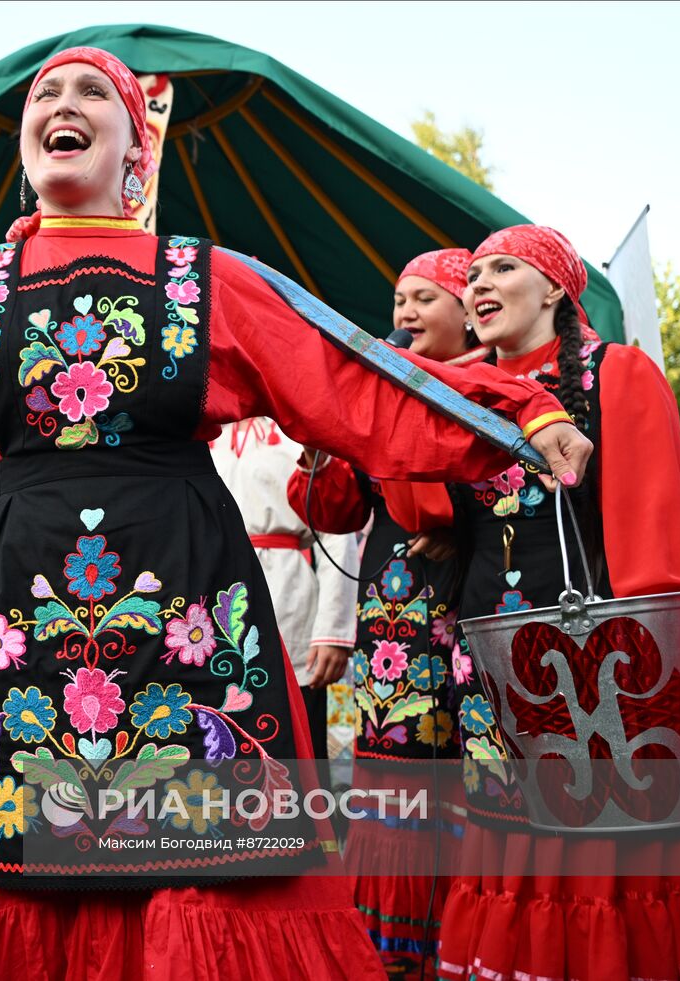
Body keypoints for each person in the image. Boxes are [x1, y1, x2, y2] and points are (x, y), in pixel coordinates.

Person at [0, 48, 590, 978]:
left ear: (137, 150)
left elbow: (354, 378)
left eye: (95, 92)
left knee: (208, 869)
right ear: (26, 147)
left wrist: (522, 410)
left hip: (191, 606)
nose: (65, 102)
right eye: (47, 92)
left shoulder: (208, 276)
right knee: (40, 871)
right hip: (32, 612)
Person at [385, 226, 680, 981]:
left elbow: (656, 533)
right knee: (509, 826)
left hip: (601, 662)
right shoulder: (462, 389)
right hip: (488, 655)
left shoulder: (619, 375)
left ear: (555, 291)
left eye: (503, 268)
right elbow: (425, 516)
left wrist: (654, 683)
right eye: (471, 274)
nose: (478, 285)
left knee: (601, 837)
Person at [288, 248, 484, 976]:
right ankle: (393, 951)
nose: (403, 314)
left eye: (423, 299)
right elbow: (335, 511)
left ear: (467, 310)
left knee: (469, 781)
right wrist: (320, 455)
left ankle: (464, 939)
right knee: (393, 780)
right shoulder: (382, 392)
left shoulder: (491, 391)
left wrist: (460, 525)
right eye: (399, 300)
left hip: (471, 607)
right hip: (391, 618)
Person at [209, 417, 358, 763]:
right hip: (216, 590)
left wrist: (332, 632)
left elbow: (335, 532)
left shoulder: (293, 429)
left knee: (296, 722)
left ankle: (307, 814)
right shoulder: (203, 434)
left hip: (288, 592)